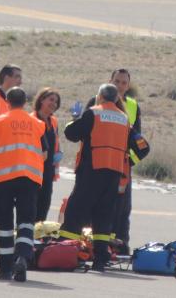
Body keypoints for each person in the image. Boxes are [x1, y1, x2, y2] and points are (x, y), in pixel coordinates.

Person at [59, 84, 132, 271]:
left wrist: (75, 117)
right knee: (104, 216)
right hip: (114, 173)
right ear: (116, 99)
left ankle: (65, 251)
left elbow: (72, 134)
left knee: (75, 211)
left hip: (93, 170)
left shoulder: (94, 113)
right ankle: (101, 258)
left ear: (99, 96)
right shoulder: (124, 118)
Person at [81, 68, 150, 256]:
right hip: (95, 166)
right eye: (117, 81)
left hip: (121, 168)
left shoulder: (133, 106)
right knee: (91, 206)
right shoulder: (94, 102)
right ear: (110, 81)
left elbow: (138, 142)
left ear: (128, 86)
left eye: (124, 83)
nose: (120, 86)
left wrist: (128, 162)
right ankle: (89, 244)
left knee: (121, 210)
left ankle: (119, 246)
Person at [0, 87, 46, 282]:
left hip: (4, 180)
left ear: (7, 102)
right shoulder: (37, 124)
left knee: (4, 224)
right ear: (25, 102)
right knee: (26, 221)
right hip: (29, 179)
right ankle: (22, 257)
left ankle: (5, 268)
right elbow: (44, 154)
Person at [32, 87, 62, 222]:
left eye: (56, 102)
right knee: (30, 208)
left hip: (48, 171)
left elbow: (56, 144)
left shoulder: (53, 121)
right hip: (32, 171)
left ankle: (38, 239)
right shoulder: (31, 119)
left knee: (44, 207)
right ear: (41, 100)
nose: (53, 104)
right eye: (51, 100)